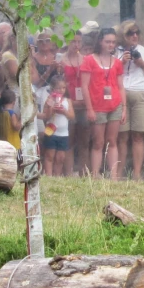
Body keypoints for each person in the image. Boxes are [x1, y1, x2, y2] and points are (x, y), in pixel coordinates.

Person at [116, 20, 144, 180]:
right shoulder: (116, 51)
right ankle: (118, 173)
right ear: (123, 35)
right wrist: (121, 62)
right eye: (130, 33)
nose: (135, 36)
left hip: (141, 92)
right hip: (121, 93)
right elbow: (109, 73)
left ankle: (137, 173)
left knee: (138, 135)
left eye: (137, 32)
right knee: (121, 136)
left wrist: (141, 63)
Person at [81, 28, 126, 180]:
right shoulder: (89, 60)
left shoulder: (118, 62)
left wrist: (124, 108)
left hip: (115, 105)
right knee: (98, 141)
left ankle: (113, 176)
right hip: (97, 105)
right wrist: (89, 109)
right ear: (100, 41)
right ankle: (95, 174)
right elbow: (84, 86)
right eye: (107, 41)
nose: (110, 45)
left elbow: (120, 86)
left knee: (112, 140)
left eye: (113, 42)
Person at [61, 31, 88, 176]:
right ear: (67, 41)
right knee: (69, 140)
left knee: (84, 140)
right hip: (69, 102)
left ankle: (85, 172)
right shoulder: (61, 60)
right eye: (73, 41)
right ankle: (69, 173)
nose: (76, 45)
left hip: (83, 104)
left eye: (79, 41)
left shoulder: (85, 59)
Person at [40, 77, 75, 177]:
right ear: (53, 88)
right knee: (49, 155)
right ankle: (49, 176)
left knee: (61, 157)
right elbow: (45, 116)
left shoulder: (67, 101)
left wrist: (64, 111)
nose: (61, 90)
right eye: (58, 88)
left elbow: (72, 116)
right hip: (51, 131)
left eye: (63, 88)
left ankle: (57, 176)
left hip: (63, 133)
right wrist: (52, 109)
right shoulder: (49, 99)